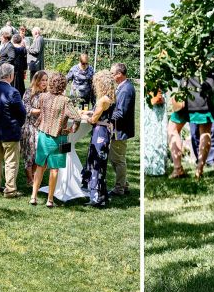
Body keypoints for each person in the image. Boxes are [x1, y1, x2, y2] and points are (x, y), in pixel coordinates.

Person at [30, 71, 81, 207]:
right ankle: (50, 200)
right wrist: (73, 129)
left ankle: (33, 197)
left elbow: (41, 112)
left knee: (40, 166)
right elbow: (77, 117)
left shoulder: (43, 96)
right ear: (63, 85)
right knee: (55, 169)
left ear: (51, 83)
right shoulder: (65, 101)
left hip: (43, 135)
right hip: (60, 138)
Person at [168, 74, 214, 180]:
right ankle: (199, 170)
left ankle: (178, 169)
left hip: (187, 95)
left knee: (172, 129)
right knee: (205, 132)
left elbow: (177, 72)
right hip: (207, 95)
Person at [0, 63, 26, 197]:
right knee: (11, 162)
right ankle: (10, 190)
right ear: (11, 75)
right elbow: (22, 113)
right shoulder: (13, 92)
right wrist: (18, 125)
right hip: (11, 131)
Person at [81, 70, 116, 207]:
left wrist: (84, 117)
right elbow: (101, 113)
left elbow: (94, 119)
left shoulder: (102, 100)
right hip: (105, 132)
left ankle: (96, 198)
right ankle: (101, 196)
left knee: (96, 163)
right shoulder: (111, 97)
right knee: (100, 164)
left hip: (100, 133)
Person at [109, 62, 135, 195]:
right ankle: (124, 184)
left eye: (112, 73)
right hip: (118, 129)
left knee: (118, 159)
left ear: (119, 74)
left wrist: (106, 115)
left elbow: (121, 113)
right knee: (115, 158)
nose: (111, 76)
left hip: (120, 130)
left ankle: (119, 188)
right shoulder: (123, 87)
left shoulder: (126, 89)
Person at [21, 70, 48, 186]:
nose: (45, 82)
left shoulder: (48, 94)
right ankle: (30, 179)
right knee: (29, 153)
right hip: (30, 127)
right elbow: (25, 108)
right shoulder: (29, 92)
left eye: (46, 80)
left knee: (39, 154)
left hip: (42, 128)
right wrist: (41, 111)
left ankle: (35, 177)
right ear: (37, 81)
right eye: (43, 80)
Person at [143, 90, 168, 176]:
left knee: (154, 136)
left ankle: (155, 168)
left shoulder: (157, 81)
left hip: (155, 111)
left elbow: (157, 99)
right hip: (151, 109)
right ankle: (149, 166)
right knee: (151, 135)